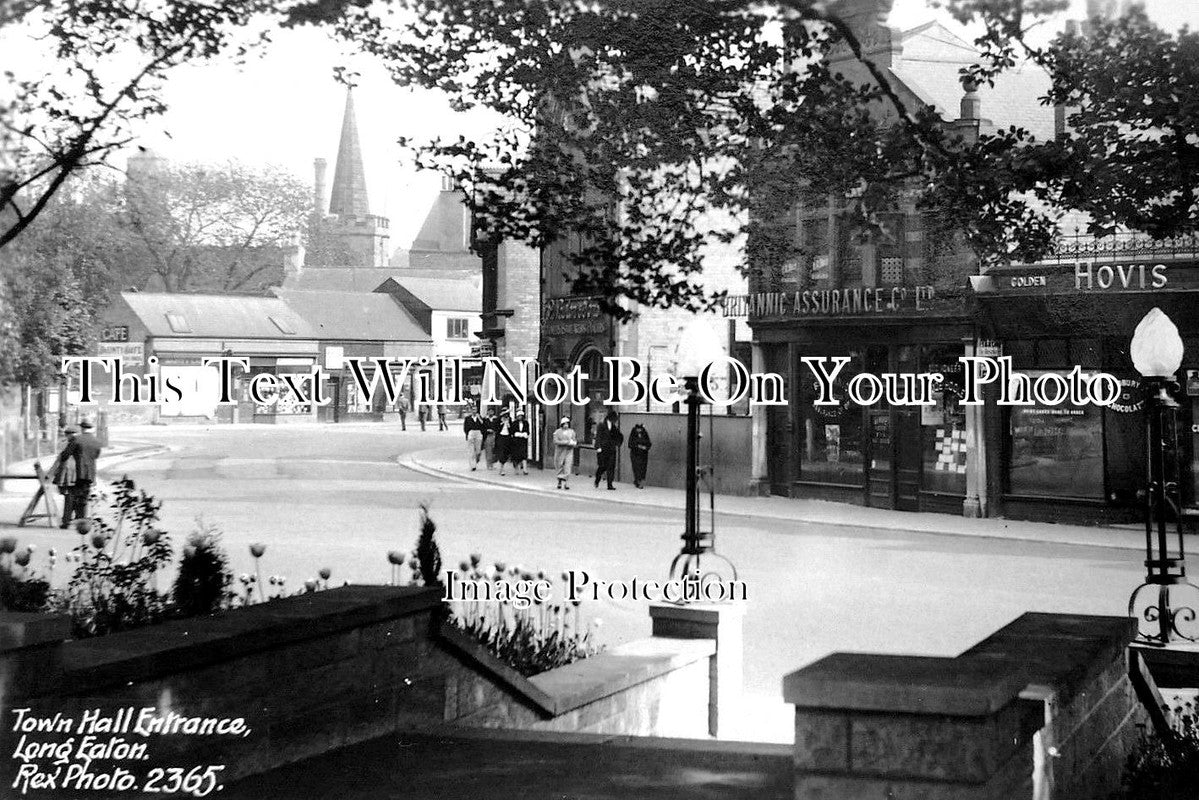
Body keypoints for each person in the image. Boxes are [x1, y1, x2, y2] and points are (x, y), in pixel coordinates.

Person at [55, 419, 102, 528]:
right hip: (90, 473)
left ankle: (66, 521)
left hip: (78, 473)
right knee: (84, 497)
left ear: (82, 428)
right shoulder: (96, 440)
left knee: (71, 496)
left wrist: (63, 457)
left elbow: (66, 454)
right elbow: (96, 455)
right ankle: (82, 523)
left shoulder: (77, 439)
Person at [593, 411, 623, 490]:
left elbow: (618, 435)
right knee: (602, 466)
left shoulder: (613, 426)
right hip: (603, 449)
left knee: (611, 466)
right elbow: (598, 436)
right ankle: (597, 479)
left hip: (611, 449)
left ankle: (610, 484)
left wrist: (617, 443)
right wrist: (598, 447)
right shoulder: (602, 424)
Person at [552, 417, 577, 489]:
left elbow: (574, 440)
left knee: (567, 466)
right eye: (564, 424)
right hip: (560, 452)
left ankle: (566, 483)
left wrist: (573, 443)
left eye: (567, 424)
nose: (566, 425)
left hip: (569, 451)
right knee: (559, 466)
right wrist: (565, 442)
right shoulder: (557, 432)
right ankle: (559, 481)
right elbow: (555, 441)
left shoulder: (572, 432)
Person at [628, 423, 652, 488]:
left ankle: (640, 481)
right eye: (638, 429)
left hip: (643, 454)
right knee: (636, 468)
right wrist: (638, 446)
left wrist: (645, 447)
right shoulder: (633, 434)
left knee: (643, 468)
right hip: (635, 454)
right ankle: (638, 481)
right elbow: (630, 444)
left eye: (640, 429)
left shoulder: (644, 433)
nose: (639, 430)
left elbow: (649, 443)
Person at [510, 409, 531, 475]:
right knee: (516, 455)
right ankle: (516, 469)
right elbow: (512, 432)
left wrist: (525, 434)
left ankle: (525, 469)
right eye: (519, 416)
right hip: (516, 441)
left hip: (523, 440)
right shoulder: (514, 423)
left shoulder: (526, 423)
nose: (520, 417)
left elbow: (528, 431)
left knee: (524, 454)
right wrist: (517, 434)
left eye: (521, 416)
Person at [495, 409, 513, 476]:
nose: (505, 415)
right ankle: (501, 469)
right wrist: (502, 422)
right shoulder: (498, 419)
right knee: (501, 452)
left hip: (507, 437)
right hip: (501, 437)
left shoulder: (509, 419)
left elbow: (511, 429)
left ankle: (502, 464)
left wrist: (508, 423)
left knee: (506, 452)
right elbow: (496, 427)